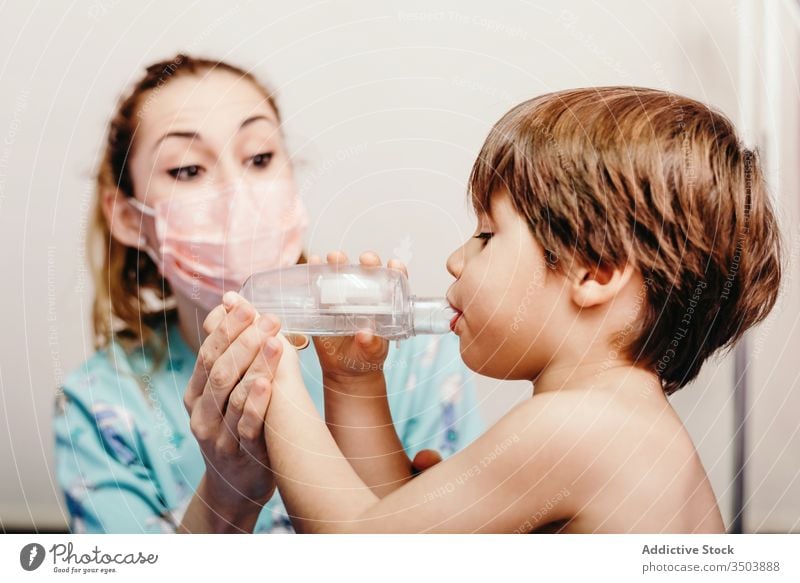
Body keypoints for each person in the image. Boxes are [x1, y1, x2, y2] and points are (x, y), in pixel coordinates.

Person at [215, 86, 782, 533]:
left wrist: (275, 375)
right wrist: (353, 381)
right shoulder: (607, 419)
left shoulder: (578, 429)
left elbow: (361, 552)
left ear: (595, 272)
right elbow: (398, 531)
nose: (457, 260)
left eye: (487, 234)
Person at [53, 53, 483, 533]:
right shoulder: (101, 408)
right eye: (188, 170)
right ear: (131, 218)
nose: (239, 195)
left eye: (260, 158)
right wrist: (226, 494)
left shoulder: (409, 357)